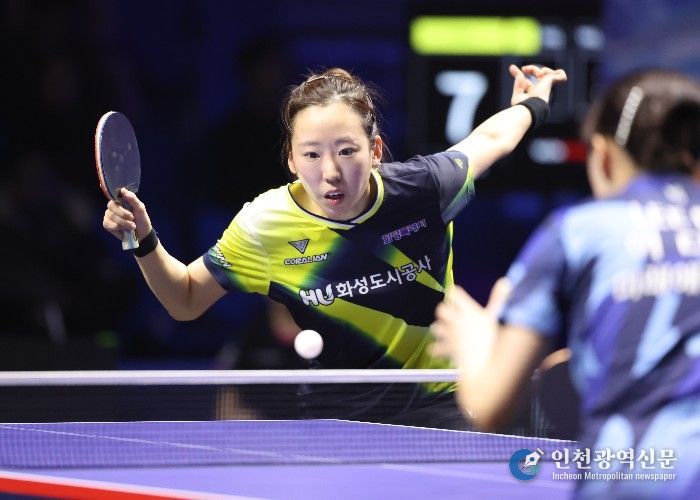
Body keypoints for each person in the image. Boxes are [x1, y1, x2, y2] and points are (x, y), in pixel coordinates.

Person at [103, 63, 567, 429]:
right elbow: (185, 299)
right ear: (291, 160)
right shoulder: (265, 225)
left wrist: (533, 104)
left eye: (347, 150)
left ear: (375, 151)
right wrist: (143, 239)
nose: (330, 172)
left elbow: (491, 139)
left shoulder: (423, 189)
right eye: (311, 154)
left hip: (442, 402)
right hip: (338, 416)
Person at [431, 69, 700, 495]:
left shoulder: (576, 232)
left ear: (602, 156)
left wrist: (477, 341)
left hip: (634, 479)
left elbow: (489, 406)